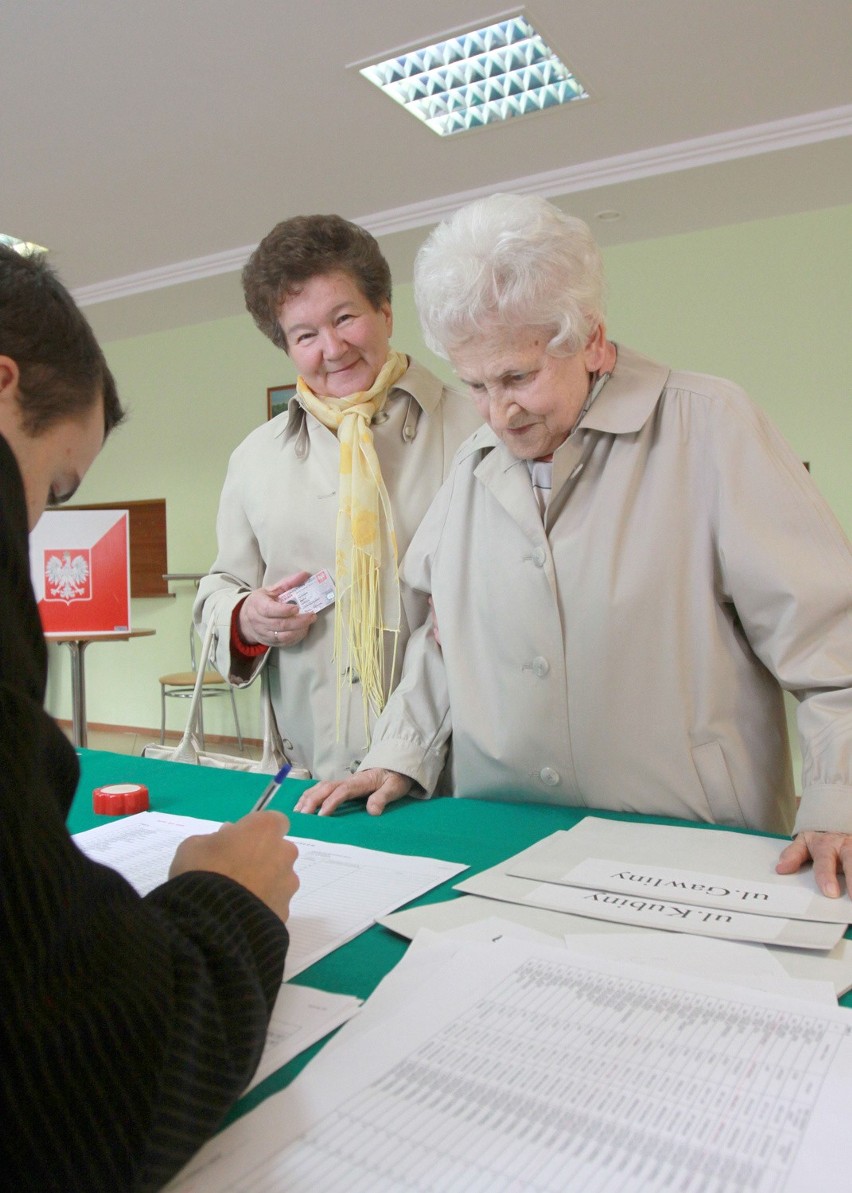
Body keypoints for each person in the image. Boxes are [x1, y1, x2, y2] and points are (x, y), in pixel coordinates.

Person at [297, 193, 852, 900]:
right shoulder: (472, 466)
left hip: (694, 849)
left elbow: (832, 642)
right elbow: (441, 639)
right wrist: (400, 752)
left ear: (590, 339)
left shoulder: (711, 426)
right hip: (508, 840)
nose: (500, 411)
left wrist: (840, 798)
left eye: (518, 377)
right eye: (475, 384)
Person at [0, 243, 299, 1192]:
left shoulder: (454, 440)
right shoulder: (257, 455)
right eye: (51, 488)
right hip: (300, 725)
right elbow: (88, 1078)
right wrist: (231, 907)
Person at [194, 214, 480, 779]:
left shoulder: (477, 427)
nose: (332, 347)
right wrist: (247, 617)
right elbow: (218, 589)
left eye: (345, 317)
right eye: (305, 335)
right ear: (286, 346)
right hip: (311, 774)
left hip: (456, 773)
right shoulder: (255, 457)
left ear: (386, 311)